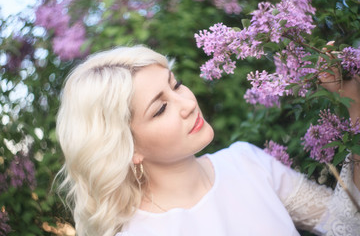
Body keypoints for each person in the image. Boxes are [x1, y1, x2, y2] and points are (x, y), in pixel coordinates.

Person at [55, 45, 360, 236]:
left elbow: (348, 224)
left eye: (177, 85)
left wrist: (353, 104)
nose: (187, 103)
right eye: (161, 108)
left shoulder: (247, 162)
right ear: (128, 148)